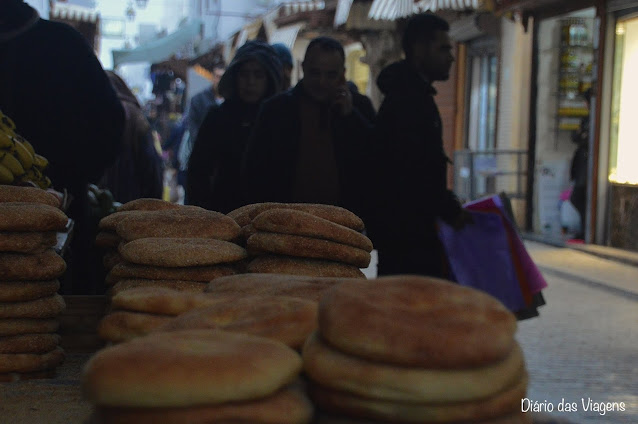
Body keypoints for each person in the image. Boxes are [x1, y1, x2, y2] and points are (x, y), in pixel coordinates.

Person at [0, 1, 124, 294]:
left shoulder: (62, 43)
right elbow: (111, 121)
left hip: (60, 202)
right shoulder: (64, 41)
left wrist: (68, 176)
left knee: (51, 298)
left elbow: (108, 122)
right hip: (65, 193)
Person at [367, 13, 471, 278]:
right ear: (419, 49)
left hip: (410, 235)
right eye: (443, 48)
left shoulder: (414, 95)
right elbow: (415, 171)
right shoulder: (408, 102)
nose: (451, 56)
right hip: (408, 238)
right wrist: (449, 209)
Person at [241, 37, 373, 218]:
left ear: (342, 74)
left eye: (330, 75)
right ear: (303, 69)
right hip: (286, 222)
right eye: (315, 73)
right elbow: (254, 171)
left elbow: (375, 161)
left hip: (343, 224)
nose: (321, 82)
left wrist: (350, 117)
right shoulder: (276, 110)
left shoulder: (359, 107)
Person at [186, 41, 282, 213]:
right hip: (223, 216)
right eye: (244, 74)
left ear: (269, 78)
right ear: (235, 77)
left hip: (269, 217)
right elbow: (198, 174)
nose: (250, 82)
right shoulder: (218, 117)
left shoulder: (279, 119)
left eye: (258, 75)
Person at [100, 71, 164, 204]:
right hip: (132, 200)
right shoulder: (135, 115)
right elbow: (151, 165)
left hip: (100, 201)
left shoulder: (95, 111)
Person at [569, 88, 592, 240]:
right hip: (581, 164)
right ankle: (584, 229)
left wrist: (581, 136)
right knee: (578, 197)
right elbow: (576, 136)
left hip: (587, 165)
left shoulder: (594, 119)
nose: (584, 104)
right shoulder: (587, 119)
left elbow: (583, 138)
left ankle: (586, 230)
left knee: (579, 197)